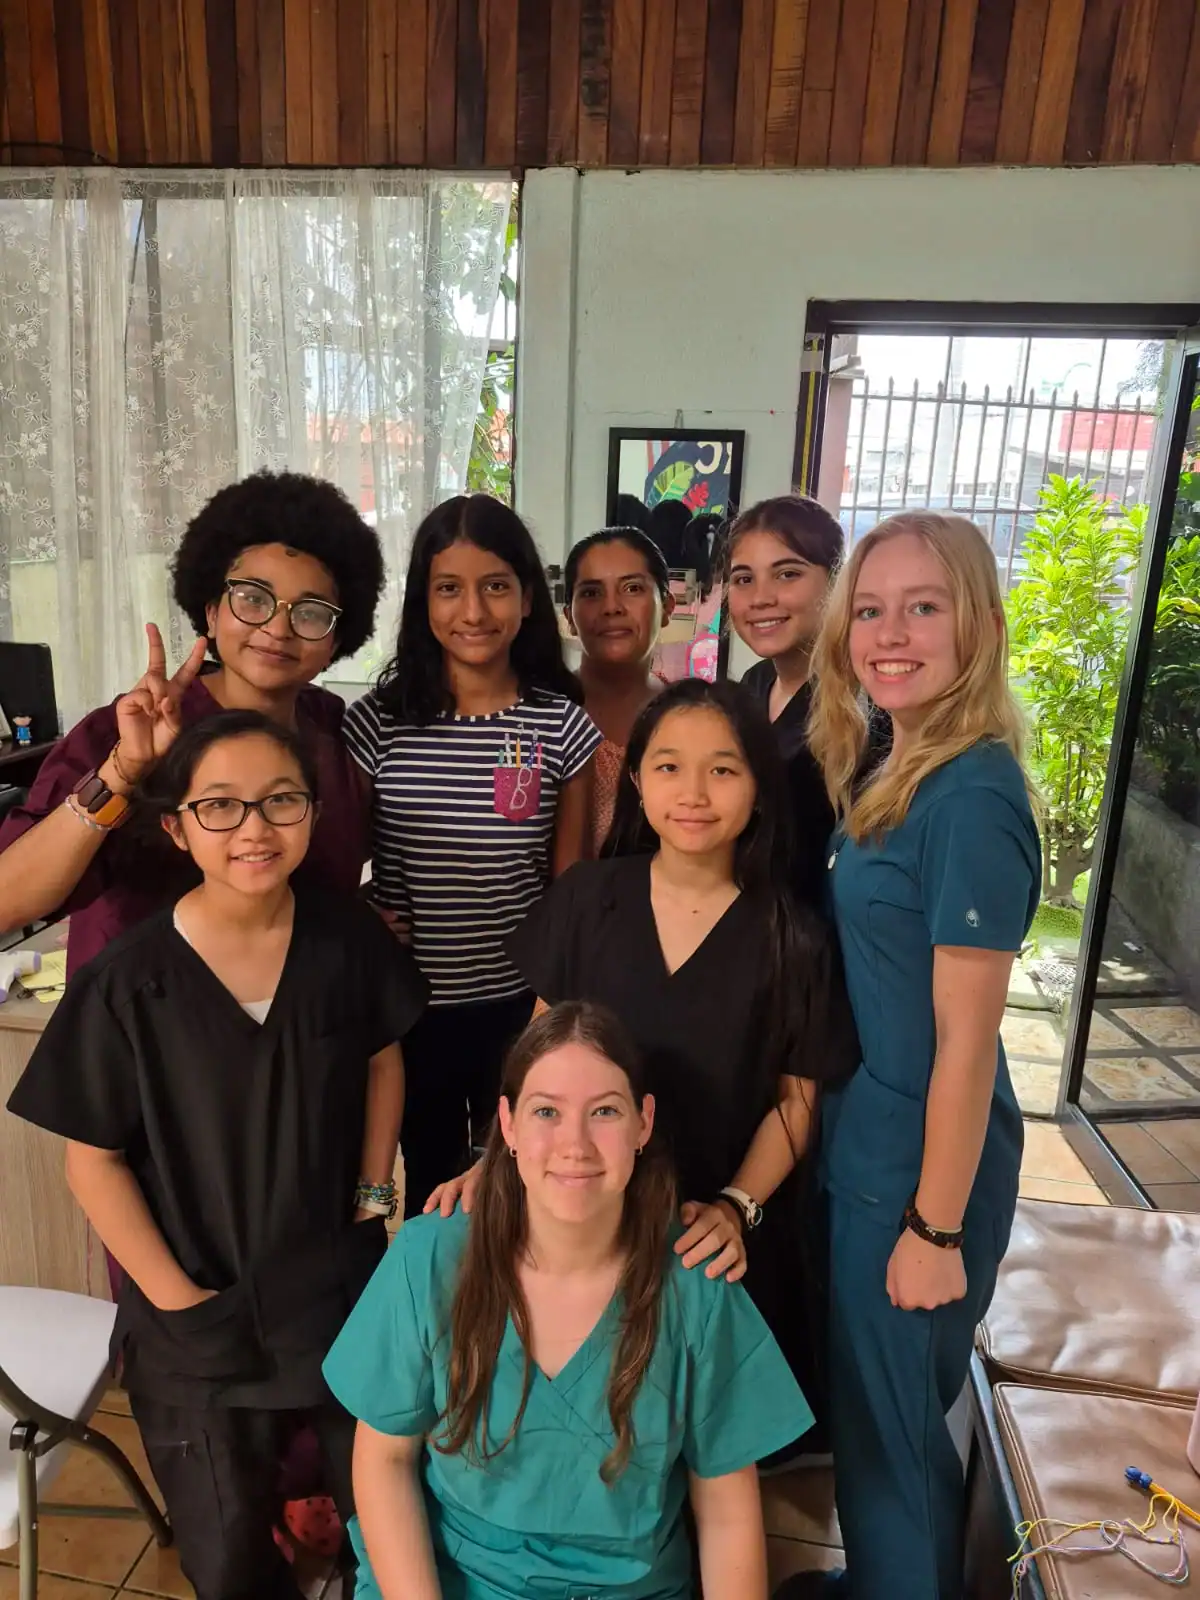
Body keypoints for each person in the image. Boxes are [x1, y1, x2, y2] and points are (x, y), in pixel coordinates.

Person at [6, 711, 429, 1600]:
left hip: (334, 1291)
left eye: (281, 802)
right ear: (177, 827)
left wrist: (369, 1191)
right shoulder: (130, 979)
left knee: (385, 1524)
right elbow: (94, 1163)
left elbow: (383, 1055)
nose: (254, 829)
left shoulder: (343, 938)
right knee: (229, 1552)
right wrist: (182, 1305)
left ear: (314, 814)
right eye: (221, 807)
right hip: (195, 1316)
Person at [430, 679, 858, 1447]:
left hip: (701, 1235)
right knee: (574, 1424)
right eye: (667, 767)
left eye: (723, 770)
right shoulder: (587, 900)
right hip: (575, 1212)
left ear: (759, 787)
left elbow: (798, 1104)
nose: (693, 793)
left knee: (689, 1443)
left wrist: (736, 1206)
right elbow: (535, 1060)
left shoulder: (792, 937)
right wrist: (497, 1160)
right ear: (635, 780)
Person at [324, 1000, 813, 1600]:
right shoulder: (431, 1258)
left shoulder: (695, 1279)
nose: (574, 1144)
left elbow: (727, 1511)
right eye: (546, 1111)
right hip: (453, 1582)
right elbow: (384, 1461)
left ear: (643, 1123)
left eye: (604, 1110)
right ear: (506, 1126)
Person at [780, 512, 1041, 1600]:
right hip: (873, 1139)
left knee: (892, 1427)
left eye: (922, 607)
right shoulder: (906, 762)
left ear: (976, 624)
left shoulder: (975, 796)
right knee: (871, 1412)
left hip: (922, 1166)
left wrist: (935, 1226)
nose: (890, 633)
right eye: (871, 609)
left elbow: (970, 1042)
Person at [0, 470, 383, 974]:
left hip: (300, 1030)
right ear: (211, 609)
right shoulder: (126, 731)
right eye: (252, 598)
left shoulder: (332, 731)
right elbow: (9, 901)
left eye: (310, 612)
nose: (276, 628)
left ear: (337, 639)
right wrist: (122, 772)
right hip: (145, 1032)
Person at [344, 495, 602, 1215]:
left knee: (516, 1184)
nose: (474, 611)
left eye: (495, 585)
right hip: (409, 1009)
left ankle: (509, 1318)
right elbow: (335, 860)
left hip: (518, 1007)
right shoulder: (379, 723)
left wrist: (550, 1017)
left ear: (526, 597)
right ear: (422, 601)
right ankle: (442, 1320)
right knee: (429, 1179)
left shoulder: (560, 725)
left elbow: (570, 888)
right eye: (448, 588)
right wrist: (362, 914)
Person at [725, 495, 852, 905]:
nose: (761, 598)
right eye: (744, 579)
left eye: (787, 574)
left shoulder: (864, 703)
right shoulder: (753, 685)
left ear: (836, 581)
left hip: (821, 941)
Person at [562, 526, 675, 854]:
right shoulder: (543, 718)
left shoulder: (692, 718)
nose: (612, 607)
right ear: (569, 616)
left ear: (667, 606)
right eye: (591, 593)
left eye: (632, 588)